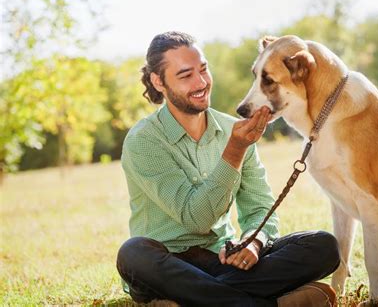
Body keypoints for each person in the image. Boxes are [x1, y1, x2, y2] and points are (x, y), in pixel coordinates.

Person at [116, 31, 340, 307]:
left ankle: (192, 301)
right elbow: (195, 219)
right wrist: (234, 151)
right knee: (133, 253)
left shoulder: (233, 129)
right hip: (167, 266)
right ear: (158, 81)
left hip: (222, 261)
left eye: (203, 70)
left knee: (323, 246)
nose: (201, 83)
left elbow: (259, 208)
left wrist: (253, 242)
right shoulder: (144, 141)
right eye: (185, 76)